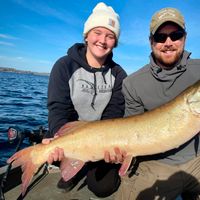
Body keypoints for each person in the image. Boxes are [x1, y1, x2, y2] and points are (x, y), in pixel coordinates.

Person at [113, 7, 200, 200]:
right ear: (151, 41)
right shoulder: (132, 83)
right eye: (161, 37)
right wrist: (121, 151)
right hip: (155, 165)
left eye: (175, 35)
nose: (168, 43)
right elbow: (131, 132)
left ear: (184, 38)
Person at [43, 2, 127, 198]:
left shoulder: (119, 74)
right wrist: (59, 136)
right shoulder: (64, 65)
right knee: (54, 152)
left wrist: (108, 148)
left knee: (103, 188)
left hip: (100, 140)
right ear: (86, 35)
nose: (103, 40)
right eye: (97, 32)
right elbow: (58, 108)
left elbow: (113, 115)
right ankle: (70, 166)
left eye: (110, 36)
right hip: (70, 135)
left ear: (115, 42)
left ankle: (87, 165)